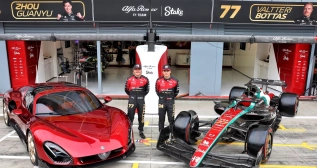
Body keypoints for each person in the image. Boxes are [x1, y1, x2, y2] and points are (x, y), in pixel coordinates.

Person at [125, 64, 149, 139]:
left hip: (141, 100)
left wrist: (140, 96)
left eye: (139, 69)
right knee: (130, 116)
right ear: (133, 71)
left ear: (141, 70)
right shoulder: (129, 79)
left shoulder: (145, 79)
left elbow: (147, 90)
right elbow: (126, 90)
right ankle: (129, 131)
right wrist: (132, 96)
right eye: (136, 70)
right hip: (132, 99)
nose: (137, 71)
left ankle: (141, 131)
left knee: (141, 116)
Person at [155, 64, 179, 132]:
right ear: (162, 72)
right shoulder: (158, 81)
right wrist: (162, 97)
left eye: (167, 71)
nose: (166, 72)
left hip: (170, 102)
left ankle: (171, 134)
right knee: (161, 118)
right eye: (164, 71)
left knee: (171, 119)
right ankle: (161, 133)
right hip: (161, 101)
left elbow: (176, 92)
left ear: (170, 71)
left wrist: (170, 98)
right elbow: (157, 91)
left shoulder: (175, 81)